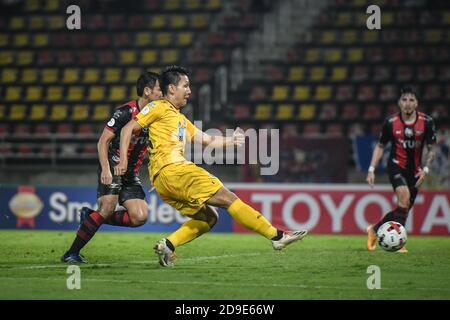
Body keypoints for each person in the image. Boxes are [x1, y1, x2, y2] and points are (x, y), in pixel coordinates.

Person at [116, 65, 308, 267]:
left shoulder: (180, 119)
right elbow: (128, 128)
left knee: (209, 217)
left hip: (165, 180)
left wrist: (230, 141)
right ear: (171, 89)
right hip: (175, 171)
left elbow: (206, 139)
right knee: (228, 198)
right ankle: (276, 236)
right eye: (185, 85)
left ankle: (168, 245)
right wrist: (123, 160)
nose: (189, 91)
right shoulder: (158, 107)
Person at [61, 71, 162, 263]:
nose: (162, 93)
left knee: (140, 217)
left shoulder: (156, 117)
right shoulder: (125, 112)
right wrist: (106, 169)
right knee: (107, 209)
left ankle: (91, 217)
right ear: (147, 91)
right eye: (159, 89)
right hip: (114, 166)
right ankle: (71, 253)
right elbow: (102, 142)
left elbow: (156, 148)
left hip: (131, 174)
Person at [366, 87, 437, 253]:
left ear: (417, 103)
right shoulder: (391, 123)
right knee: (404, 199)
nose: (408, 103)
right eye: (404, 100)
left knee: (403, 209)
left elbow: (431, 149)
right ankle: (399, 243)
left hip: (417, 171)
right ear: (399, 103)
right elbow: (380, 146)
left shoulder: (427, 122)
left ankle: (374, 230)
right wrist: (371, 169)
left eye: (411, 100)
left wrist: (426, 168)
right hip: (396, 165)